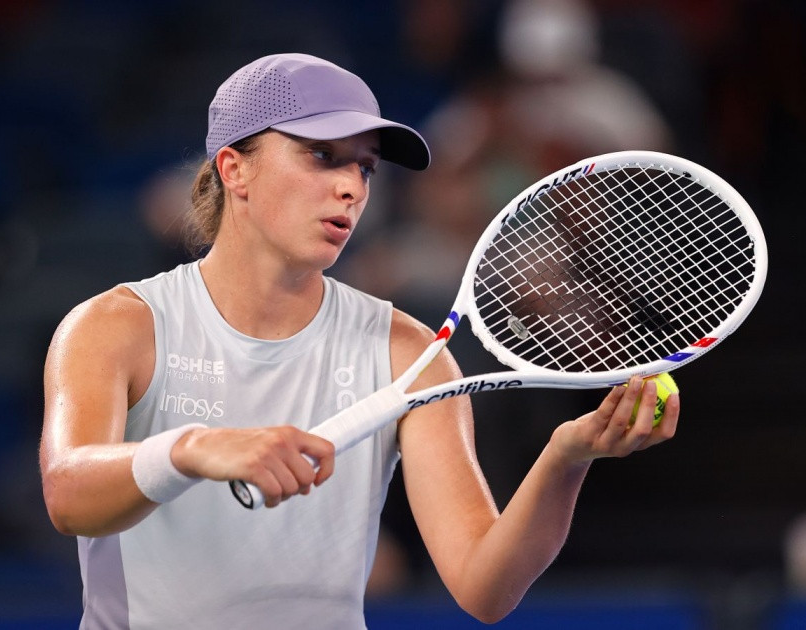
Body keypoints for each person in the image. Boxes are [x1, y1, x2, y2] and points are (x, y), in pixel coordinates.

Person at [39, 52, 679, 629]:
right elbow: (68, 497)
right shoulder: (116, 326)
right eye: (322, 156)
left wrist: (566, 458)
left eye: (364, 168)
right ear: (235, 169)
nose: (351, 187)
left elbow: (485, 587)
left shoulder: (409, 353)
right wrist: (193, 448)